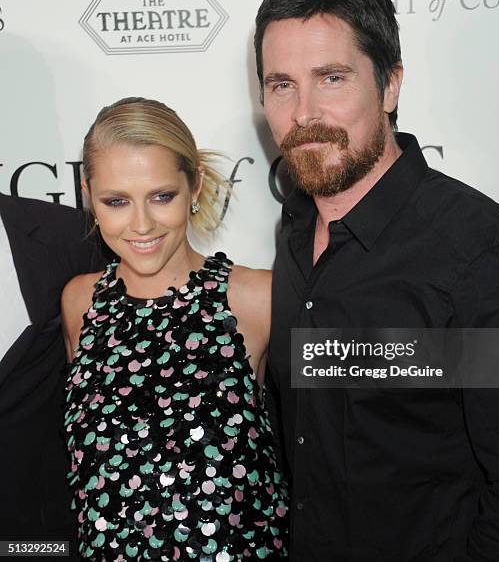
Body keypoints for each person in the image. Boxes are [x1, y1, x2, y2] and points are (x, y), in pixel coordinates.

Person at [254, 0, 499, 561]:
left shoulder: (477, 257)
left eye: (331, 78)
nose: (303, 112)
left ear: (389, 86)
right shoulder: (294, 234)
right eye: (281, 85)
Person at [61, 97, 288, 561]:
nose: (141, 224)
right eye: (116, 201)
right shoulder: (80, 303)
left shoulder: (255, 298)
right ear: (88, 194)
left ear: (195, 185)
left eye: (162, 196)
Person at [0, 192, 103, 553]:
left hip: (35, 541)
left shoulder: (71, 238)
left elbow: (291, 393)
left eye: (162, 196)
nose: (142, 222)